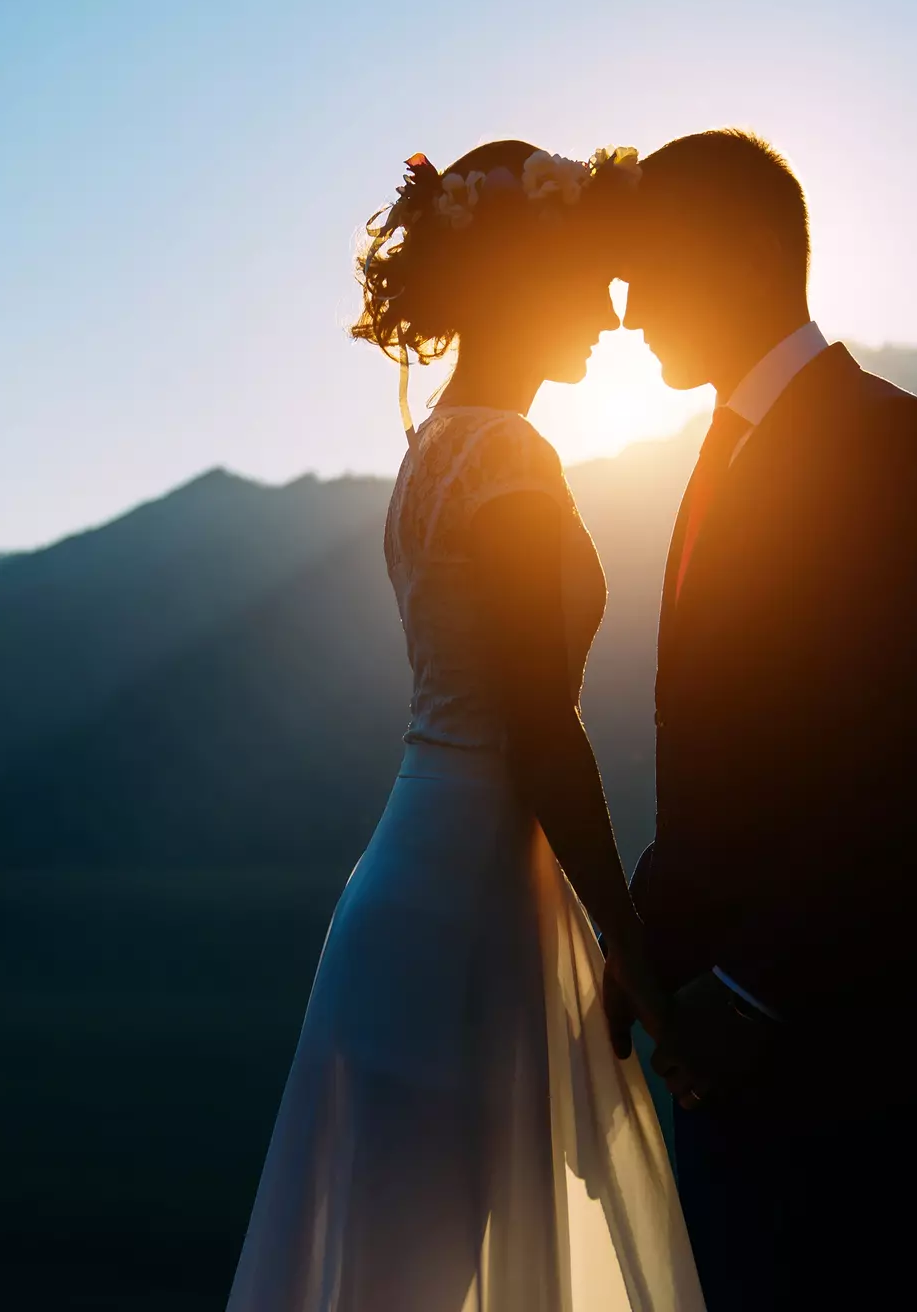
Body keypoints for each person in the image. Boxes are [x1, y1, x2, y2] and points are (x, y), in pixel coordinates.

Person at [225, 141, 706, 1312]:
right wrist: (632, 948)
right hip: (463, 919)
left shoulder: (436, 445)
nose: (608, 315)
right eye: (588, 279)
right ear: (521, 282)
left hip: (412, 879)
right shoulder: (509, 460)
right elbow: (543, 729)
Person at [604, 129, 917, 1310]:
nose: (626, 311)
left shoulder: (890, 440)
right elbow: (709, 755)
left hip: (852, 1029)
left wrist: (755, 985)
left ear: (746, 253)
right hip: (727, 1046)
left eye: (647, 271)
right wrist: (652, 949)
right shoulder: (711, 454)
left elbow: (903, 760)